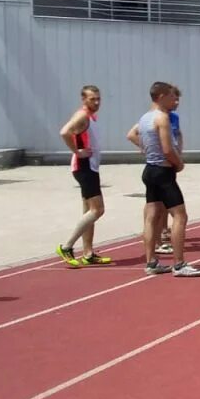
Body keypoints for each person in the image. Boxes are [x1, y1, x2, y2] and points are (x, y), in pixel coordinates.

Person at [132, 81, 200, 277]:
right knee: (180, 216)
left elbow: (135, 136)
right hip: (163, 172)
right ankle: (180, 264)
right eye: (172, 96)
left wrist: (148, 151)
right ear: (161, 96)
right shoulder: (162, 118)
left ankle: (151, 262)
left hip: (149, 170)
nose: (175, 100)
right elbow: (167, 148)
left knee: (151, 217)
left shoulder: (144, 118)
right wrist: (178, 163)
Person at [55, 85, 112, 268]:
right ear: (83, 100)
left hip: (90, 167)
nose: (96, 102)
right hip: (84, 167)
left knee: (89, 212)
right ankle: (67, 246)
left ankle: (87, 253)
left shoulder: (90, 116)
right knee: (98, 210)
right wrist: (77, 151)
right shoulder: (82, 115)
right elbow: (65, 132)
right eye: (92, 99)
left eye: (98, 99)